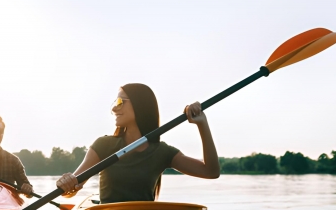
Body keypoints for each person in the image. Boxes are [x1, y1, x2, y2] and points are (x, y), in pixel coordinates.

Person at [56, 83, 220, 203]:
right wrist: (67, 183)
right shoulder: (103, 145)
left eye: (120, 102)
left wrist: (202, 124)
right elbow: (72, 190)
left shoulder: (162, 152)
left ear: (139, 105)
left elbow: (211, 172)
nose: (114, 109)